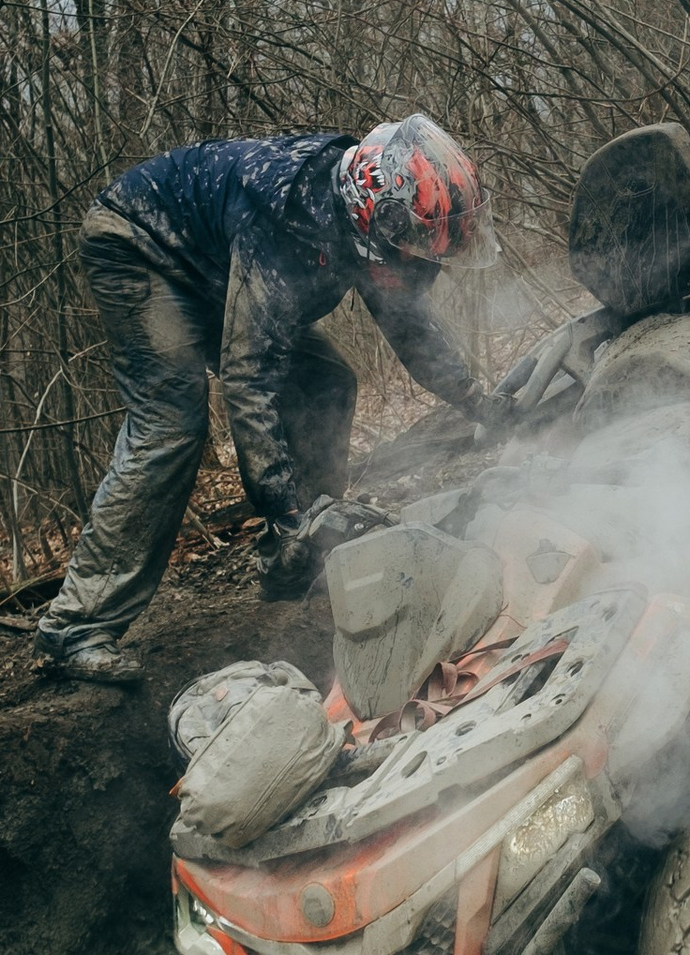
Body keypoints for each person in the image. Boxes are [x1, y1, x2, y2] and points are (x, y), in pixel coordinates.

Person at [34, 115, 487, 688]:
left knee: (327, 382)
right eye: (418, 245)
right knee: (171, 423)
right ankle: (76, 624)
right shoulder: (289, 223)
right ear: (377, 218)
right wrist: (282, 505)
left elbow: (414, 335)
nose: (423, 261)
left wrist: (482, 403)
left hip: (214, 263)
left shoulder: (359, 220)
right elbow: (250, 378)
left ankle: (294, 561)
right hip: (140, 245)